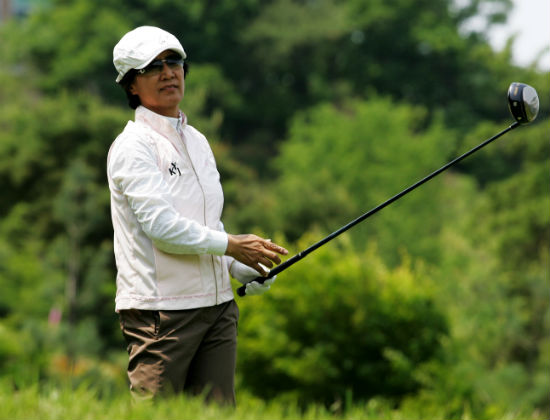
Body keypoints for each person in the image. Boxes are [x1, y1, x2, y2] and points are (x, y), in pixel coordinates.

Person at [108, 26, 288, 403]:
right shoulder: (132, 147)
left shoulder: (198, 141)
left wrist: (241, 266)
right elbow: (162, 228)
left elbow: (208, 226)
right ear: (131, 85)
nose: (168, 73)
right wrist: (233, 246)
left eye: (174, 62)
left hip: (218, 307)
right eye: (152, 67)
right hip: (161, 313)